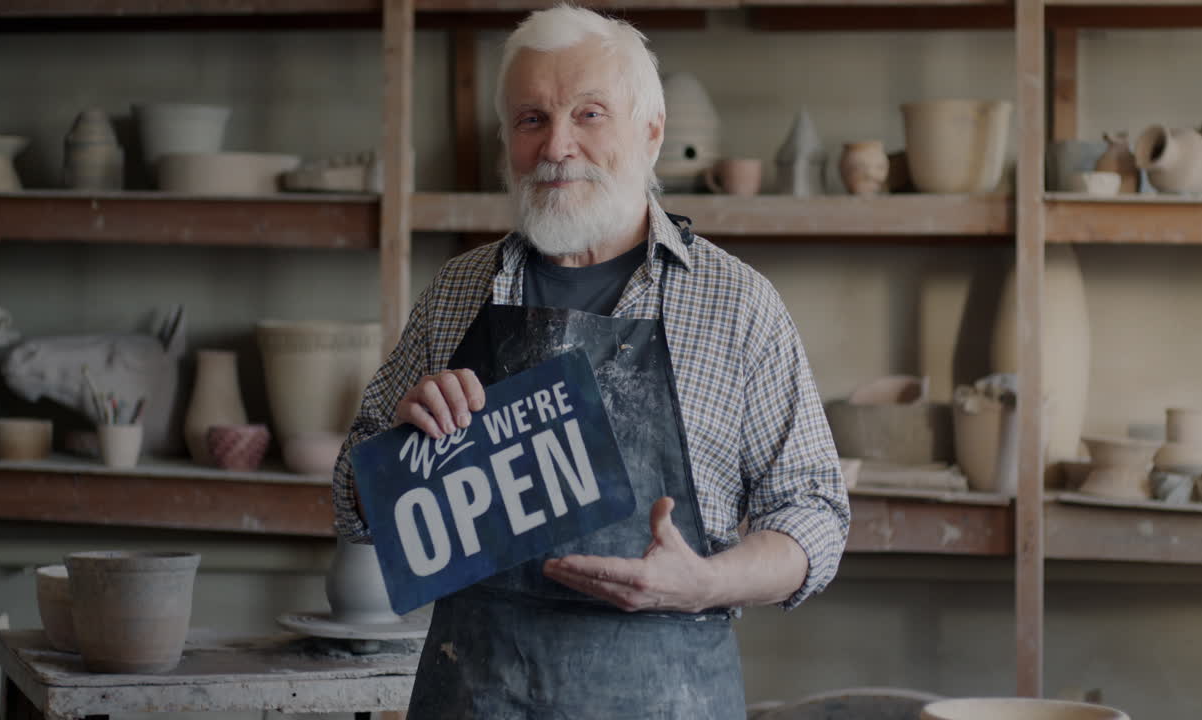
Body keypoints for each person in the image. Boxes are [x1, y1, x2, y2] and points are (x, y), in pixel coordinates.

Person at [332, 5, 850, 717]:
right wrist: (399, 449)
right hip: (474, 692)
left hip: (667, 696)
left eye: (590, 114)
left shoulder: (736, 305)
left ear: (652, 132)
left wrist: (704, 581)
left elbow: (814, 513)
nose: (557, 147)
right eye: (532, 120)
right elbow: (354, 504)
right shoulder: (457, 291)